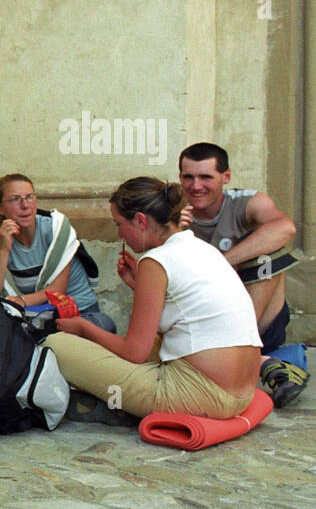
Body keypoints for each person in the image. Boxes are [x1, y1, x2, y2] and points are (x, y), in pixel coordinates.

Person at [42, 177, 261, 421]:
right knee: (148, 345)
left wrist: (84, 327)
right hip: (243, 394)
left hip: (199, 396)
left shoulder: (156, 260)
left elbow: (134, 352)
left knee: (54, 344)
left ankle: (114, 404)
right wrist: (139, 286)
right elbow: (182, 315)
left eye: (119, 224)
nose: (119, 233)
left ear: (140, 220)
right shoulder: (202, 248)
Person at [179, 142, 306, 407]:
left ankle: (244, 350)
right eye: (188, 177)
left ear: (226, 177)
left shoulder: (247, 202)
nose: (196, 186)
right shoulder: (173, 210)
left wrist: (220, 263)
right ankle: (268, 366)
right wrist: (173, 235)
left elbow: (285, 228)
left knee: (268, 255)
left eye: (206, 177)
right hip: (202, 321)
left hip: (256, 323)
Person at [0, 174, 116, 332]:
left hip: (80, 313)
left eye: (30, 197)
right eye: (15, 199)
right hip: (41, 315)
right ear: (0, 208)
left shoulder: (55, 230)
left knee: (105, 325)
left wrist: (20, 301)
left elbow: (57, 291)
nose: (25, 205)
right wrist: (4, 249)